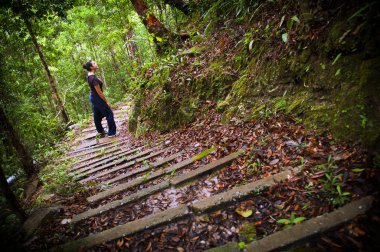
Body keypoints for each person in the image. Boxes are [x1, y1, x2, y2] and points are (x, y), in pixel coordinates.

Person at [82, 60, 117, 137]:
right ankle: (112, 133)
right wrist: (106, 101)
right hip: (97, 97)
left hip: (93, 96)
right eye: (94, 63)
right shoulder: (93, 78)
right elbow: (99, 92)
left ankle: (100, 130)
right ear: (91, 67)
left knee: (97, 114)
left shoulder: (89, 75)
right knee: (109, 113)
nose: (96, 63)